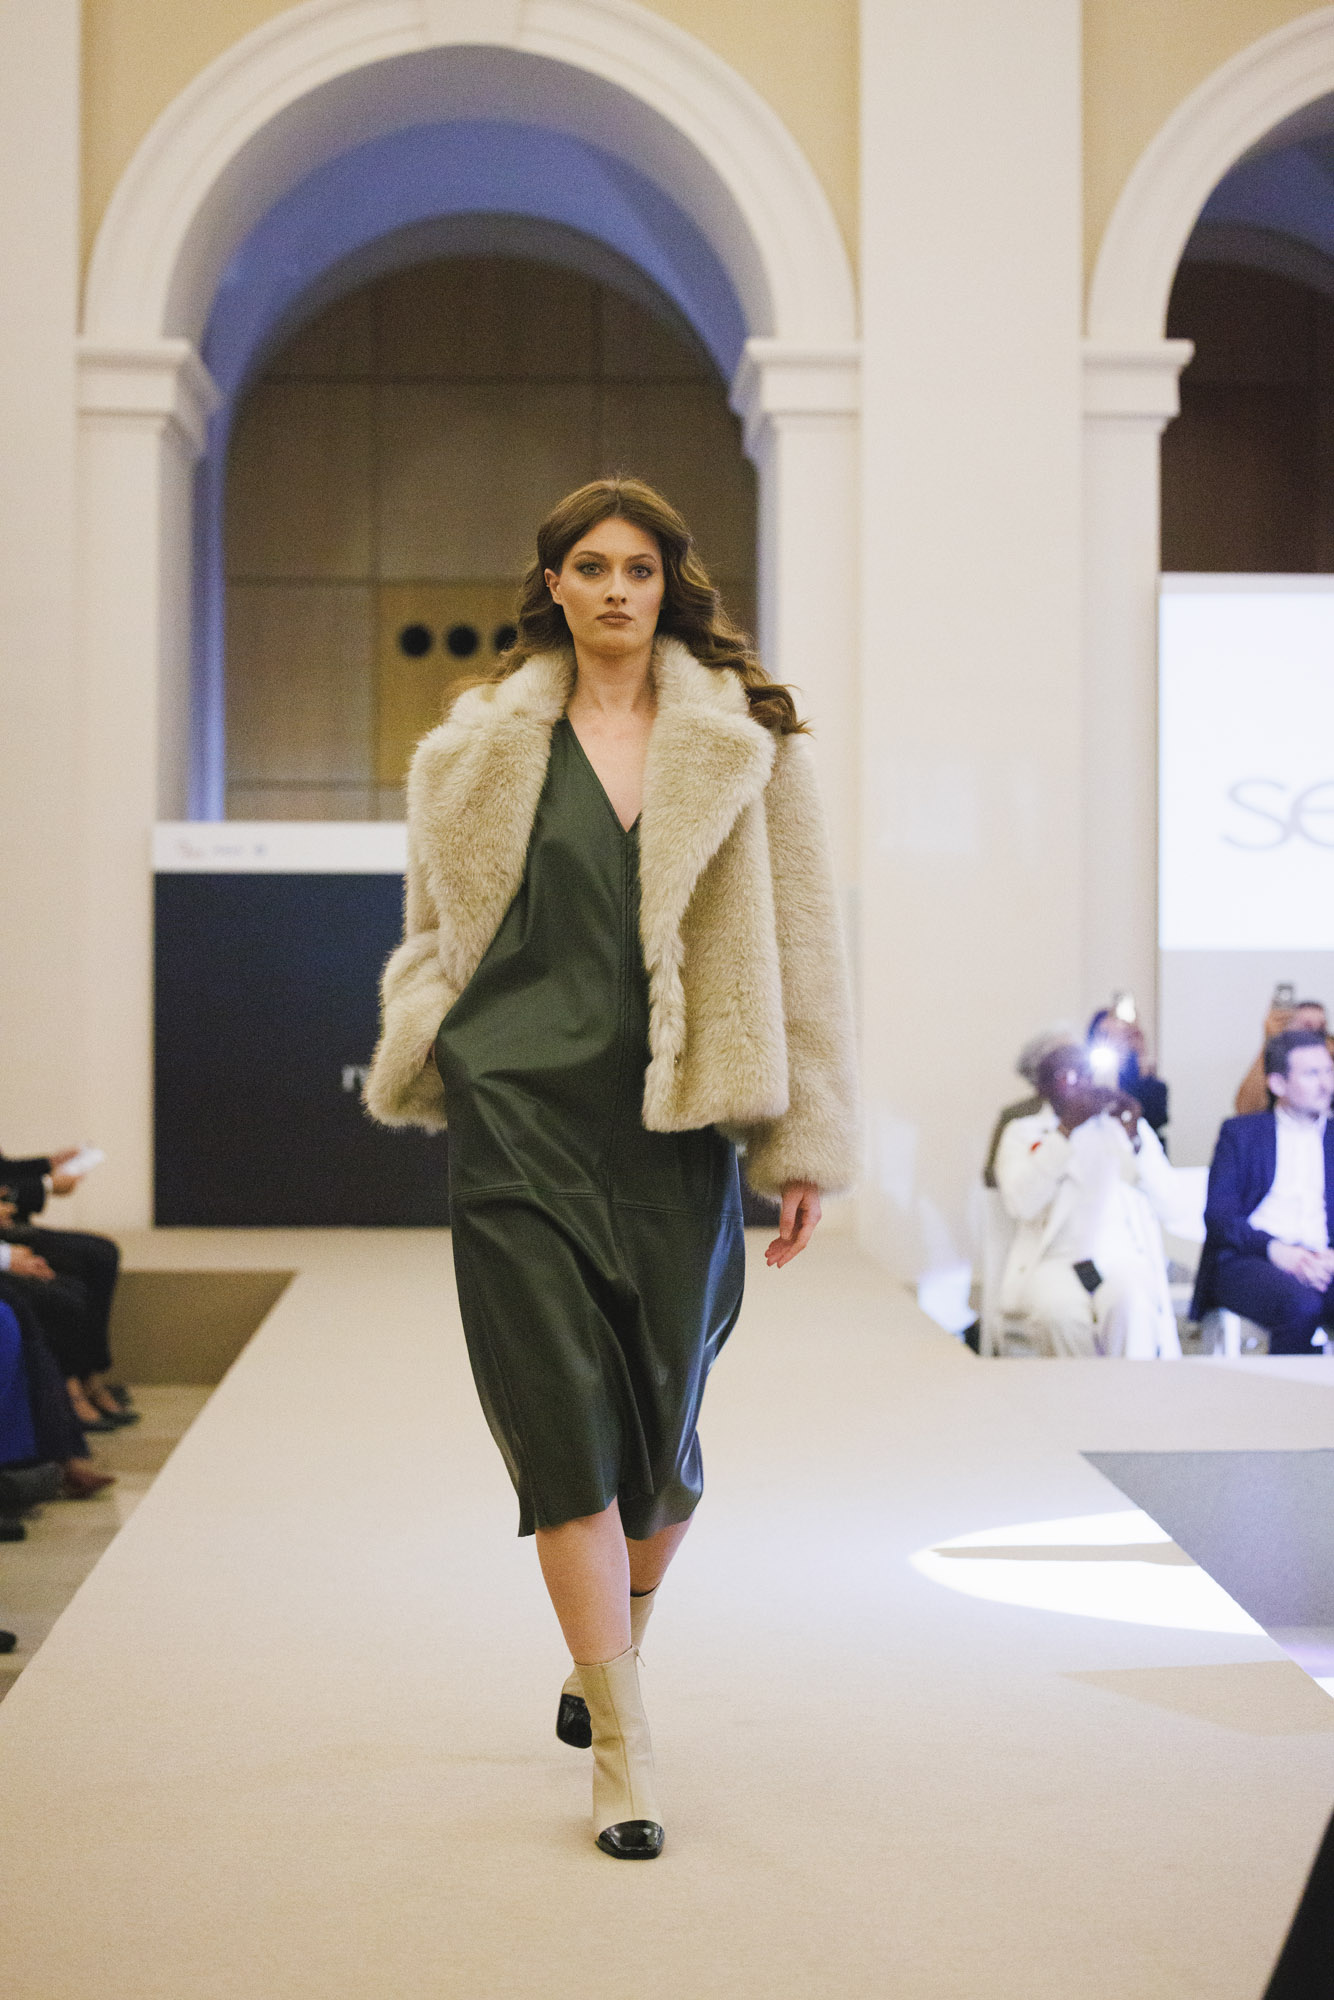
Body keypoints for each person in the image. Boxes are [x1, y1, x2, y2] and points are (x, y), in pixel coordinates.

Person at [366, 476, 858, 1860]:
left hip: (673, 1128)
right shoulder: (473, 748)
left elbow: (803, 949)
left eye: (638, 567)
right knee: (563, 1435)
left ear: (668, 582)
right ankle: (626, 1755)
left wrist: (803, 1138)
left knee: (661, 1448)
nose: (616, 590)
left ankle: (607, 1649)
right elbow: (429, 934)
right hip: (517, 1118)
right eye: (590, 566)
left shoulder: (748, 740)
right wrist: (440, 1034)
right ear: (555, 585)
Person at [994, 1035, 1180, 1358]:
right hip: (1054, 1259)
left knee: (1132, 1305)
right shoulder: (1022, 1132)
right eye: (1067, 1075)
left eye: (1085, 1072)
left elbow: (1169, 1203)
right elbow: (1021, 1204)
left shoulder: (1119, 1127)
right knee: (1058, 1315)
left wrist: (1134, 1138)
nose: (1080, 1083)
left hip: (1119, 1255)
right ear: (1042, 1087)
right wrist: (1064, 1131)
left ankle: (1130, 1387)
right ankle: (1079, 1389)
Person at [1192, 1030, 1334, 1355]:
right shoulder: (1242, 1134)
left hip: (1323, 1258)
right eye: (1312, 1074)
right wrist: (1277, 1250)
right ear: (1278, 1084)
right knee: (1300, 1304)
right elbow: (1220, 1217)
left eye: (1329, 1071)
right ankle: (1291, 1387)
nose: (1326, 1084)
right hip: (1252, 1258)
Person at [1234, 998, 1331, 1116]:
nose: (1314, 1033)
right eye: (1307, 1026)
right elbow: (1246, 1110)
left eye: (1321, 1027)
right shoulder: (1279, 1059)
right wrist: (1270, 1041)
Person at [1087, 1007, 1169, 1142]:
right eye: (1104, 1035)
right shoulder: (1083, 1076)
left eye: (1120, 1036)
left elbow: (1156, 1119)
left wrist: (1141, 1057)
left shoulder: (1143, 1080)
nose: (1111, 1042)